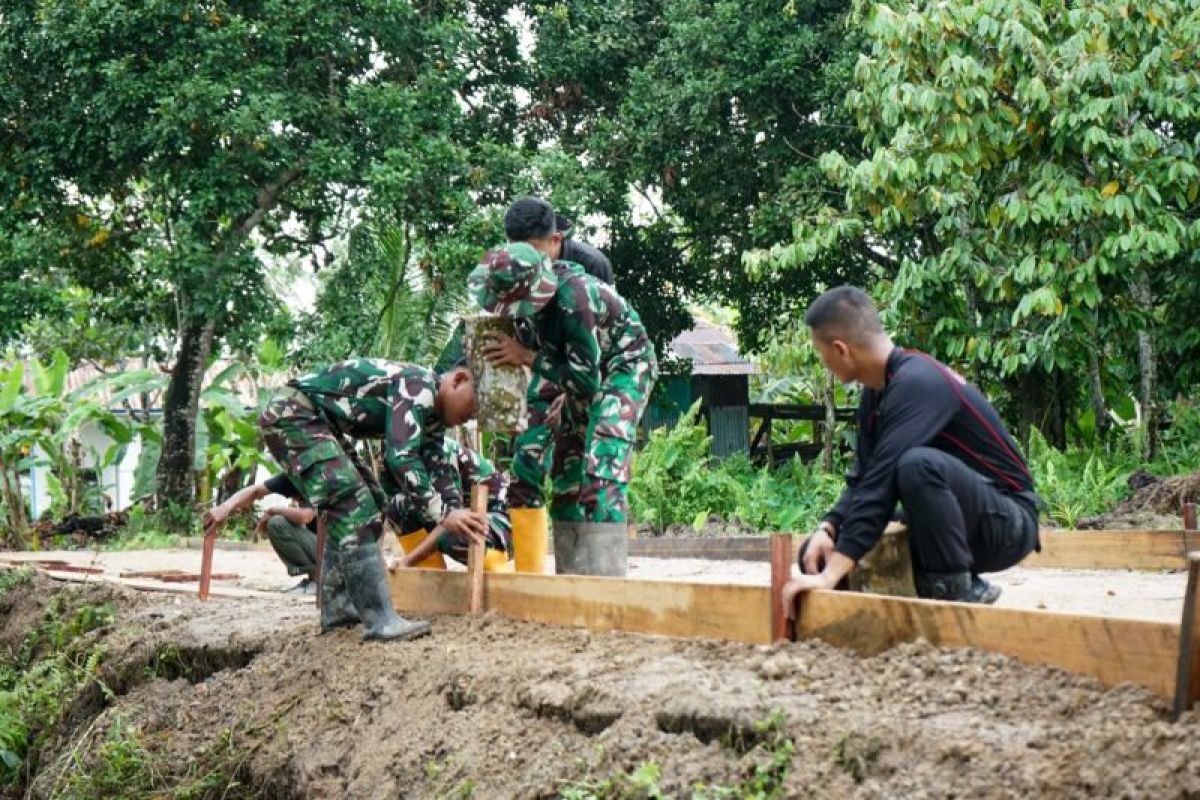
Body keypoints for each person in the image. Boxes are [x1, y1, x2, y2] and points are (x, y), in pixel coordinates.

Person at [781, 286, 1042, 613]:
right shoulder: (877, 394)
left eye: (822, 355)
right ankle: (901, 595)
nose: (824, 363)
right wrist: (828, 527)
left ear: (841, 349)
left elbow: (882, 484)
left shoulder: (919, 382)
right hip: (950, 521)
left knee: (916, 465)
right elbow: (865, 479)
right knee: (819, 553)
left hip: (1006, 524)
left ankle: (956, 589)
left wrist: (833, 573)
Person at [257, 358, 487, 640]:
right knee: (355, 505)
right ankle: (381, 621)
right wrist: (442, 512)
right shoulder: (420, 385)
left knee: (374, 501)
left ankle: (340, 612)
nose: (474, 415)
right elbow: (400, 457)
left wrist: (453, 512)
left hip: (319, 423)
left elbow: (436, 465)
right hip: (294, 414)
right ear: (459, 380)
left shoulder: (433, 418)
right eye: (476, 403)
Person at [469, 242, 658, 576]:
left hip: (624, 365)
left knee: (604, 458)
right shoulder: (522, 310)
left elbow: (587, 383)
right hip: (575, 373)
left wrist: (526, 357)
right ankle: (570, 582)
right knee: (565, 466)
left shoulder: (576, 301)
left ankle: (607, 587)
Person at [385, 436, 511, 569]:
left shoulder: (437, 450)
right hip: (462, 516)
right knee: (397, 507)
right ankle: (431, 579)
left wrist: (407, 561)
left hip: (495, 520)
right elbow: (381, 512)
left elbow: (451, 521)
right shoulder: (392, 459)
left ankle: (495, 566)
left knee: (454, 533)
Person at [202, 475, 319, 595]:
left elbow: (306, 516)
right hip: (322, 547)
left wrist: (272, 510)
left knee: (277, 523)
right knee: (277, 523)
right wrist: (225, 507)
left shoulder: (320, 476)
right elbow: (255, 490)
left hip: (336, 550)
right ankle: (315, 581)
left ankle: (319, 582)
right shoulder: (293, 476)